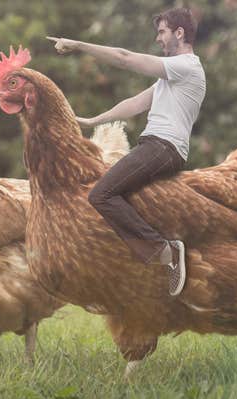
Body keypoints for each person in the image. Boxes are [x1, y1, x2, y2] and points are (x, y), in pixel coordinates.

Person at [47, 7, 205, 296]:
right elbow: (134, 103)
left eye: (162, 31)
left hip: (162, 147)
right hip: (155, 146)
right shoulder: (170, 78)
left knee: (100, 194)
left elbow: (124, 58)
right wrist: (92, 120)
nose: (158, 38)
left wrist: (79, 45)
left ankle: (166, 250)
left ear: (179, 33)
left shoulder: (187, 67)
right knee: (111, 193)